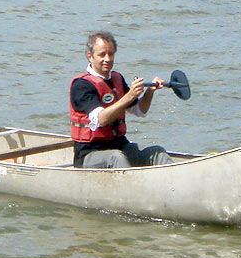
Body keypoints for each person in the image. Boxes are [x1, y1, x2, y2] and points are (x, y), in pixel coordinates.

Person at [69, 31, 174, 168]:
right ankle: (133, 187)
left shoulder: (117, 78)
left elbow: (140, 110)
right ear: (90, 56)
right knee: (116, 158)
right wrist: (130, 95)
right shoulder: (81, 86)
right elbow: (102, 119)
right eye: (102, 55)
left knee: (157, 153)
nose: (107, 59)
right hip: (90, 152)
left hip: (120, 146)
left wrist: (149, 92)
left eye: (111, 54)